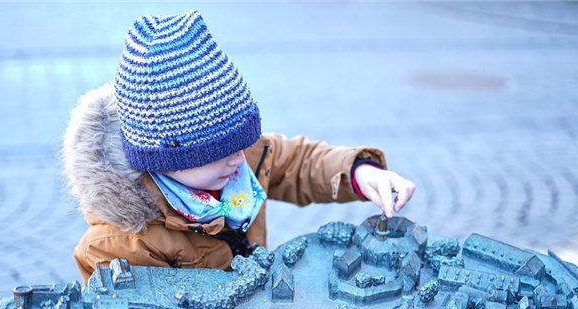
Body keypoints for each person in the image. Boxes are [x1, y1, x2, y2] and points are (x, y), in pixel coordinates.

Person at [63, 11, 415, 283]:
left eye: (242, 142)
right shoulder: (119, 245)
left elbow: (299, 163)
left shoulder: (235, 159)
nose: (240, 158)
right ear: (168, 158)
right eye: (220, 152)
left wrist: (359, 172)